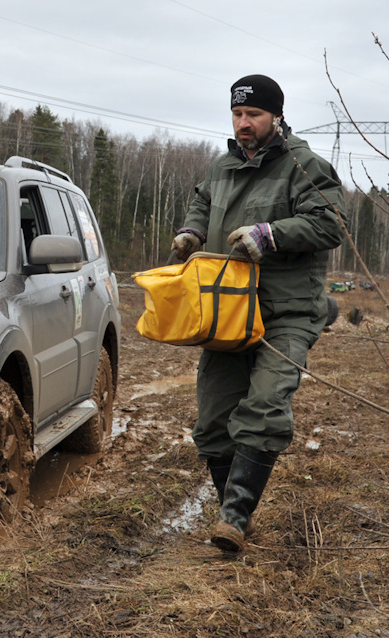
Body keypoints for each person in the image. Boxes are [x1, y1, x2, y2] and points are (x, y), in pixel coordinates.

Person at [170, 74, 344, 552]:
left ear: (277, 117)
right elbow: (203, 199)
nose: (243, 124)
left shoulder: (304, 166)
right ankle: (233, 509)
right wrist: (192, 230)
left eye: (254, 115)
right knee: (212, 421)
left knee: (264, 407)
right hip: (228, 308)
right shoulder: (221, 166)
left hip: (287, 311)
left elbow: (330, 223)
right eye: (237, 114)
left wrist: (270, 235)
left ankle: (234, 517)